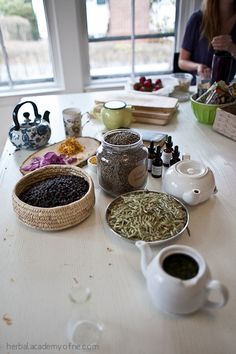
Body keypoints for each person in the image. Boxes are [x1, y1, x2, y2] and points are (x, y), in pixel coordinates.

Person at [178, 0, 236, 84]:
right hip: (200, 89)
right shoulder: (197, 19)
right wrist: (198, 66)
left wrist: (231, 47)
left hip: (229, 91)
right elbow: (181, 61)